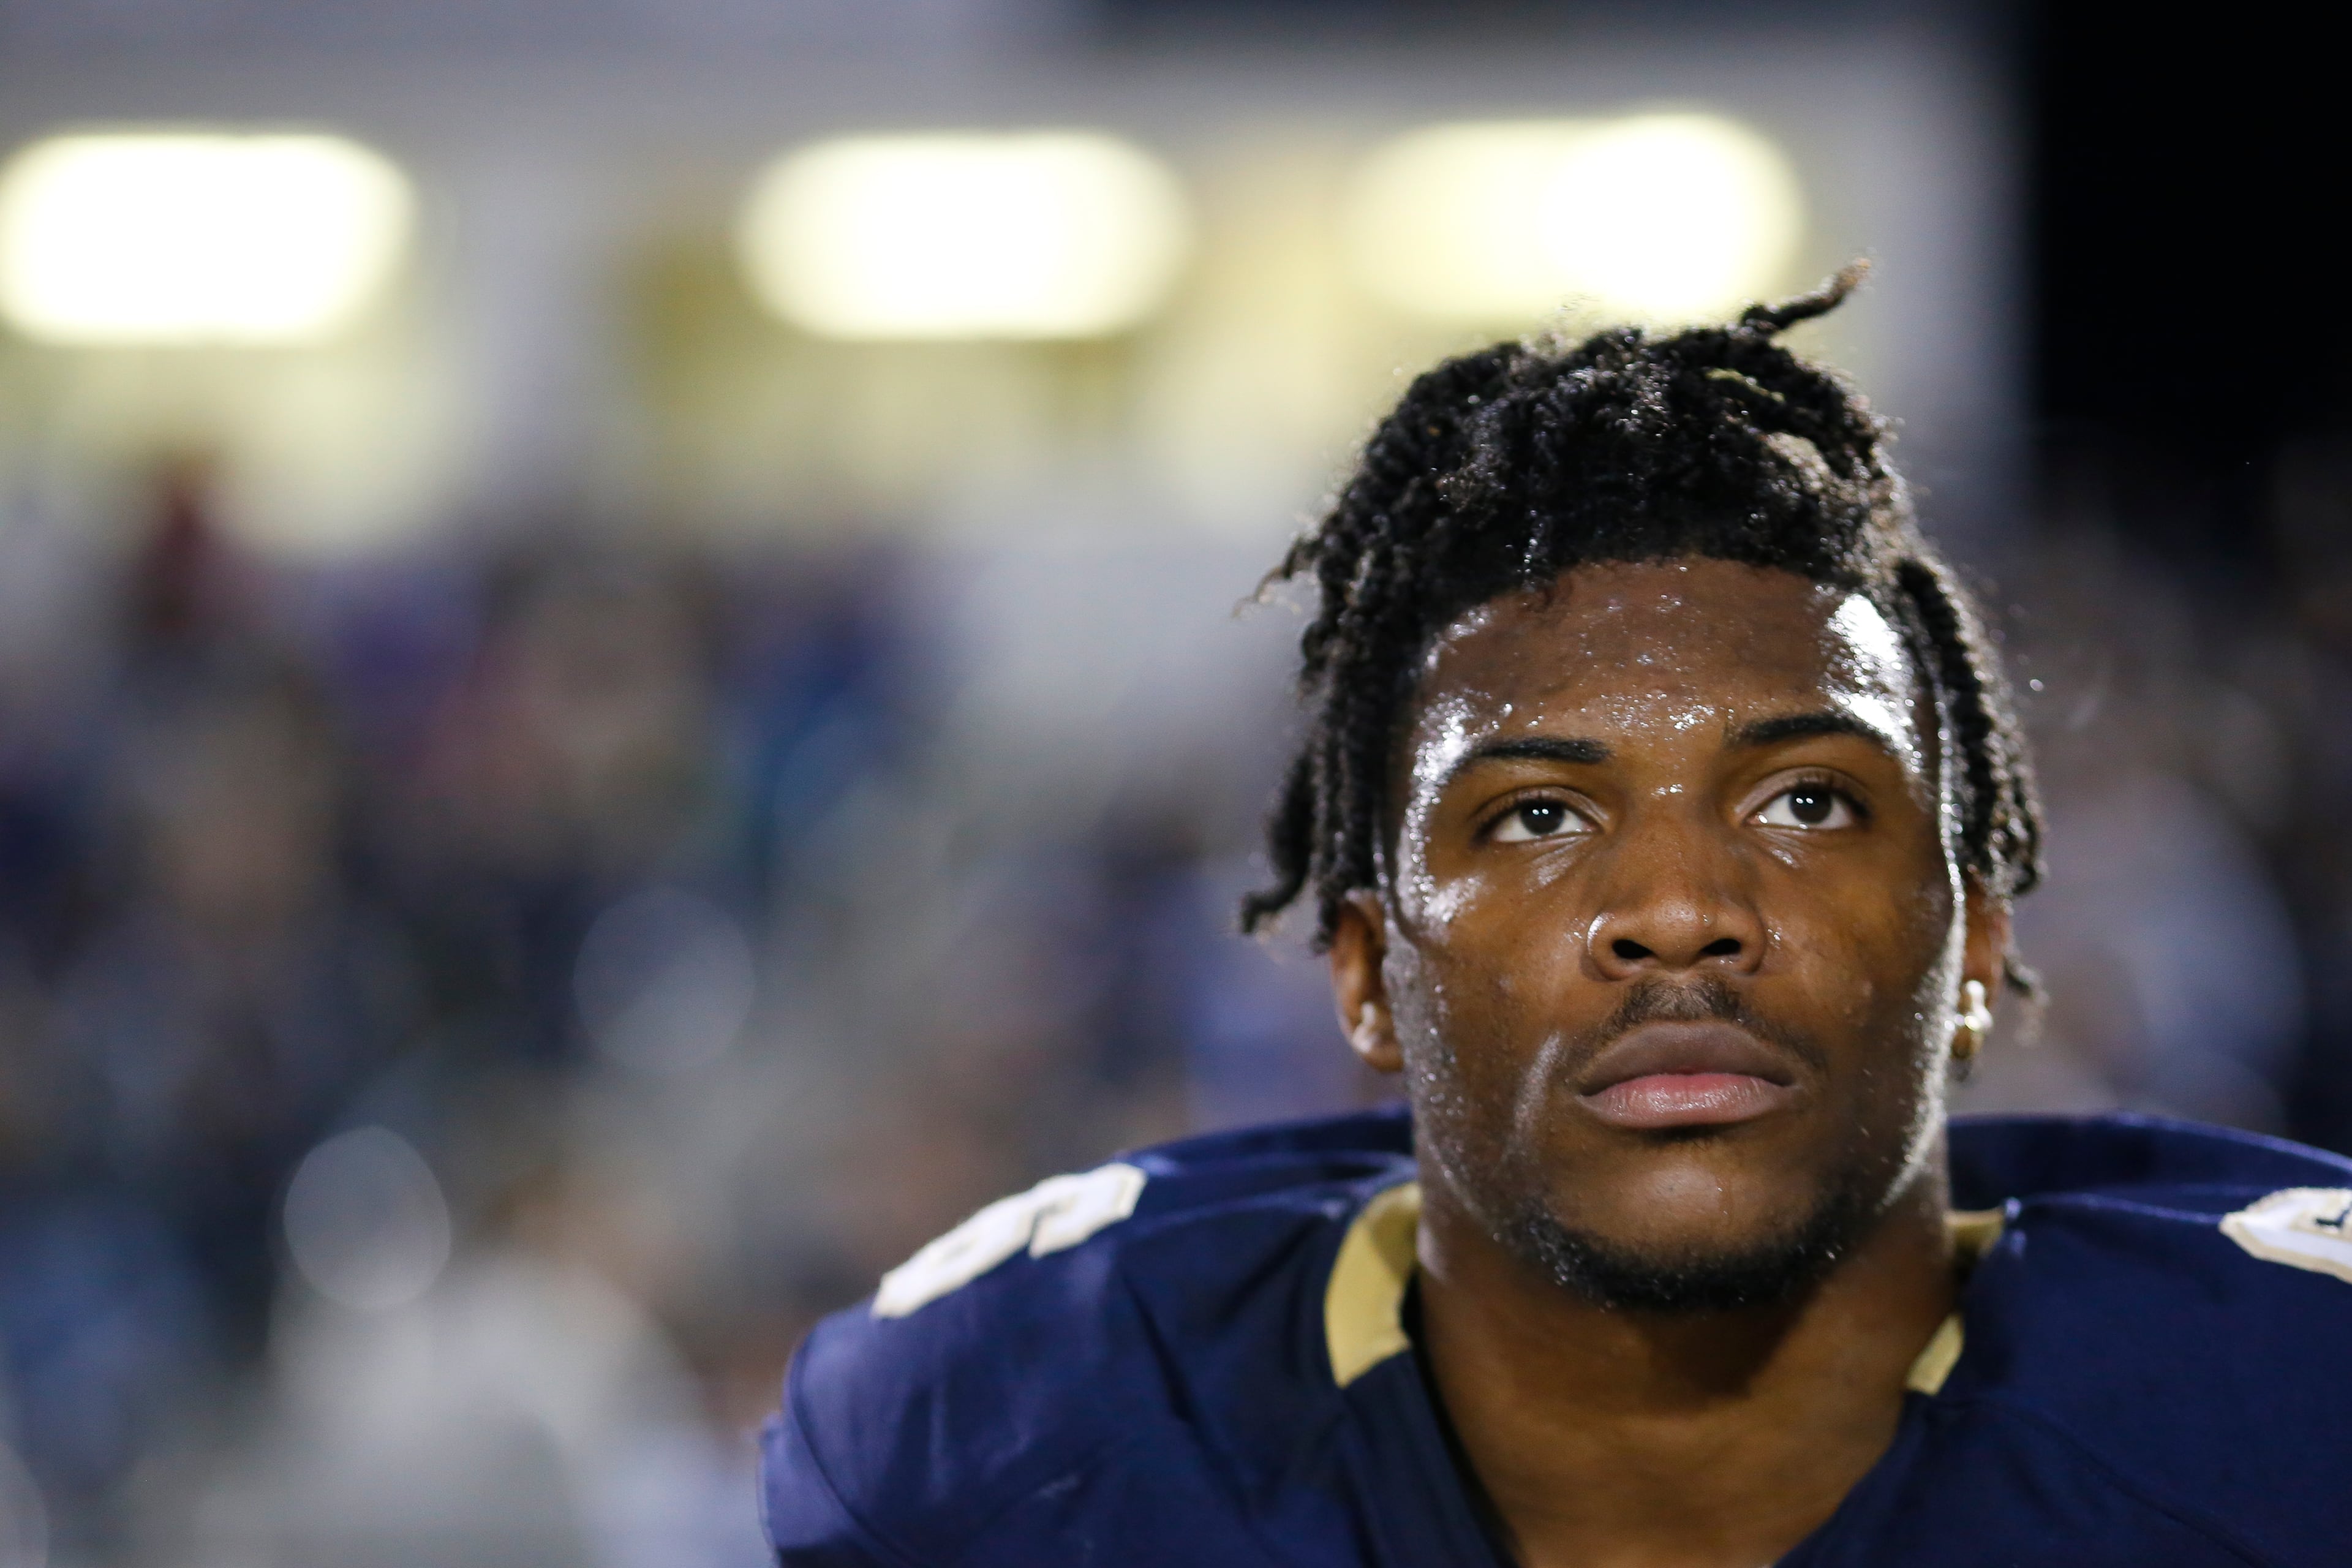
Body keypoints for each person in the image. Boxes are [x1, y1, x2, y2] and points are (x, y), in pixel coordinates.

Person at [759, 270, 2352, 1566]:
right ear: (1370, 976)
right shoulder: (1012, 1439)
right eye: (1536, 816)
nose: (1676, 911)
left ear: (1979, 953)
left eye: (1806, 802)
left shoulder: (2292, 1416)